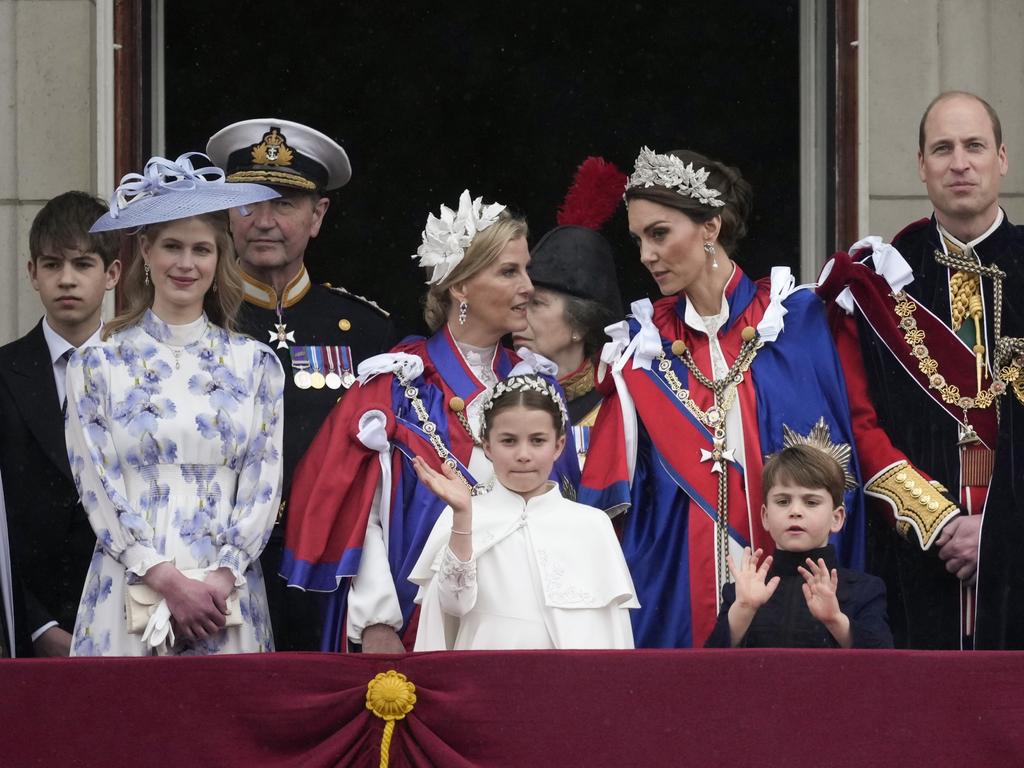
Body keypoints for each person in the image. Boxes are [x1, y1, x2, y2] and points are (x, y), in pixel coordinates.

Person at [580, 146, 953, 649]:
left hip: (802, 599)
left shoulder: (799, 321)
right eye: (638, 239)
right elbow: (608, 501)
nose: (646, 254)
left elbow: (859, 444)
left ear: (710, 227)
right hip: (676, 595)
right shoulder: (640, 348)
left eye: (659, 233)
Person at [283, 190, 580, 652]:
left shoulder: (535, 386)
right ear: (459, 286)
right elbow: (359, 516)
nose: (528, 287)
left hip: (520, 627)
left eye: (526, 270)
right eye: (508, 271)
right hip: (418, 625)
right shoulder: (397, 386)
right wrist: (377, 622)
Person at [817, 91, 1024, 649]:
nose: (960, 162)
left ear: (1001, 158)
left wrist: (1001, 532)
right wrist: (942, 523)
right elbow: (861, 424)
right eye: (943, 148)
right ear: (921, 165)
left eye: (974, 146)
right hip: (916, 561)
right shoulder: (881, 279)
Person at [65, 153, 285, 656]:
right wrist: (163, 577)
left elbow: (263, 484)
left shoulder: (256, 365)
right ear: (145, 250)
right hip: (129, 582)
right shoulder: (97, 363)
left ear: (219, 257)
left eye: (201, 249)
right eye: (172, 247)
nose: (186, 264)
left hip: (225, 594)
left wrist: (221, 578)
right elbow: (94, 481)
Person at [207, 118, 394, 650]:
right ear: (227, 212)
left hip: (330, 569)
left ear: (318, 216)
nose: (263, 220)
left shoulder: (366, 331)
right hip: (220, 573)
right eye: (248, 202)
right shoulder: (200, 323)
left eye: (284, 203)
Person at [409, 374, 637, 650]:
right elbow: (453, 606)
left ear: (559, 445)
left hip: (569, 687)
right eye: (508, 441)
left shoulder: (592, 525)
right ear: (488, 446)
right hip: (485, 683)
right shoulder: (463, 516)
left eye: (538, 441)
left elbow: (614, 637)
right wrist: (463, 517)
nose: (523, 454)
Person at [0, 191, 121, 657]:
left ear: (111, 273)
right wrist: (37, 627)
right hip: (24, 630)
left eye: (83, 264)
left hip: (131, 622)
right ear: (32, 273)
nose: (66, 280)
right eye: (51, 265)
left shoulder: (144, 373)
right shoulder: (3, 375)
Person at [705, 444, 893, 648]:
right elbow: (711, 672)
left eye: (811, 502)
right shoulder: (740, 593)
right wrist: (743, 609)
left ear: (836, 518)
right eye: (783, 501)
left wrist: (836, 620)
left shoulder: (864, 590)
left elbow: (884, 666)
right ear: (765, 517)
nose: (795, 511)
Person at [515, 157, 625, 467]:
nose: (521, 316)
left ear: (580, 323)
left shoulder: (622, 403)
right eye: (521, 304)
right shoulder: (500, 392)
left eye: (537, 303)